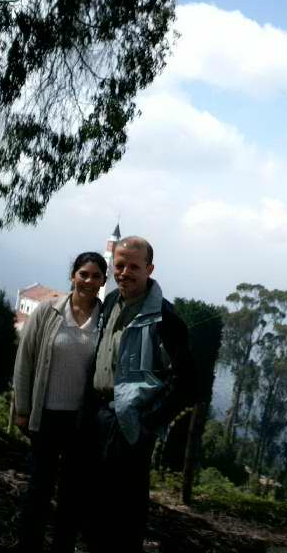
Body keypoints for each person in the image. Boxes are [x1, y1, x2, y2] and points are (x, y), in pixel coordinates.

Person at [87, 236, 193, 553]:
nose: (125, 273)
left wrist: (148, 421)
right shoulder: (111, 302)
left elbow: (187, 382)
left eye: (134, 267)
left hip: (132, 427)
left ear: (150, 269)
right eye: (120, 266)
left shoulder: (166, 317)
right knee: (94, 508)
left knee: (125, 513)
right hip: (99, 419)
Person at [13, 251, 107, 553]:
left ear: (103, 281)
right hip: (46, 415)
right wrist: (22, 409)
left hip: (81, 423)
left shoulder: (106, 321)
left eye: (95, 276)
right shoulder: (47, 312)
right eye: (83, 274)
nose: (88, 281)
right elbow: (25, 360)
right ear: (73, 276)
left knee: (72, 496)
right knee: (38, 490)